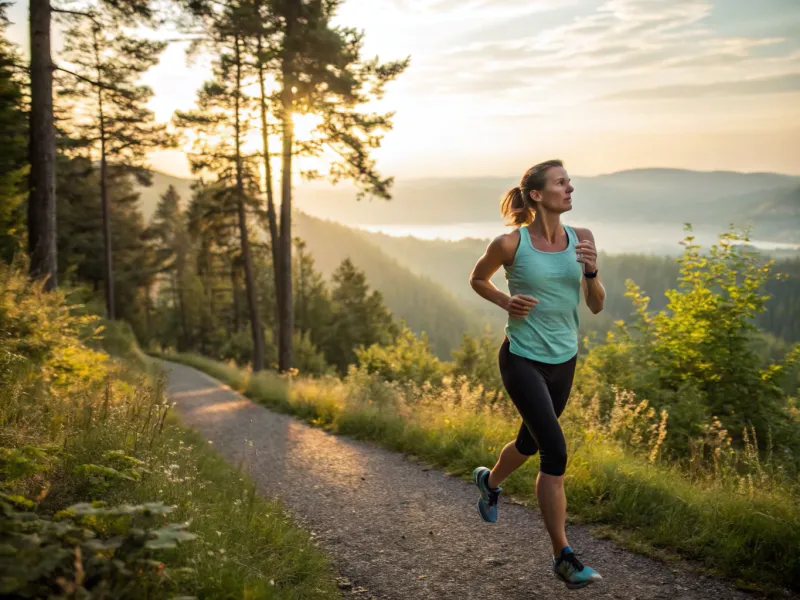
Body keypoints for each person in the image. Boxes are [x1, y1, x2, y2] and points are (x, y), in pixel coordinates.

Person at [468, 159, 606, 590]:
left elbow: (597, 304)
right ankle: (563, 556)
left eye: (569, 183)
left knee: (529, 441)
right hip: (522, 357)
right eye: (561, 183)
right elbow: (477, 279)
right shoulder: (511, 243)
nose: (569, 189)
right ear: (536, 195)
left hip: (564, 358)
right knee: (555, 452)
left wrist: (592, 271)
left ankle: (489, 482)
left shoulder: (582, 239)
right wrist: (504, 302)